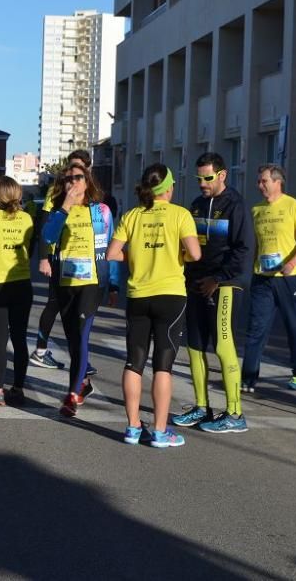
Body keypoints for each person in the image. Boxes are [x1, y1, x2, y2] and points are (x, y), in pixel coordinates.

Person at [107, 164, 201, 448]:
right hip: (170, 296)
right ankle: (160, 432)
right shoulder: (180, 214)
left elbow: (113, 253)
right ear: (169, 188)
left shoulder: (132, 215)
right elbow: (195, 254)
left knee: (134, 362)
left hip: (139, 295)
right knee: (163, 365)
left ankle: (133, 427)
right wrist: (177, 254)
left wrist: (136, 258)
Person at [172, 152, 251, 434]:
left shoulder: (235, 205)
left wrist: (217, 279)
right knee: (194, 347)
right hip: (194, 284)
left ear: (222, 175)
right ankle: (201, 406)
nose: (203, 183)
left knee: (223, 345)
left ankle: (235, 413)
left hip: (225, 285)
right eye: (199, 178)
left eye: (207, 178)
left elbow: (242, 250)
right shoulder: (195, 205)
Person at [41, 163, 120, 418]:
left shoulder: (101, 211)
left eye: (78, 177)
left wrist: (114, 284)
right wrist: (64, 206)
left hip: (91, 283)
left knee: (82, 336)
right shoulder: (58, 211)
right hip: (65, 285)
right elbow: (47, 238)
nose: (72, 182)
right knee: (73, 341)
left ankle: (72, 395)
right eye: (67, 179)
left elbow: (111, 248)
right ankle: (81, 384)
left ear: (87, 182)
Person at [241, 164, 296, 392]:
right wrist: (251, 271)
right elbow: (257, 246)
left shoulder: (294, 206)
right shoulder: (256, 210)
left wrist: (291, 263)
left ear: (277, 182)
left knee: (294, 326)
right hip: (262, 278)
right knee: (256, 329)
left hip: (289, 278)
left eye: (263, 181)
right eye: (259, 181)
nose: (259, 185)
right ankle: (248, 377)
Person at [30, 148, 93, 370]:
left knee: (76, 310)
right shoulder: (56, 192)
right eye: (71, 173)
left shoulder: (90, 194)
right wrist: (44, 257)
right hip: (58, 258)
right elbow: (45, 225)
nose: (74, 179)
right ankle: (40, 350)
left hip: (81, 262)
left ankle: (81, 355)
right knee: (54, 303)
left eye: (80, 173)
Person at [0, 176, 35, 406]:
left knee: (0, 339)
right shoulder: (27, 219)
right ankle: (18, 388)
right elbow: (29, 250)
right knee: (19, 338)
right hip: (21, 283)